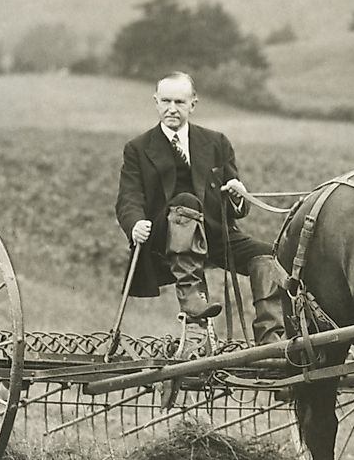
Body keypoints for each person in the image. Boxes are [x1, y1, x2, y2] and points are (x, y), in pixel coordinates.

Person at [115, 71, 284, 355]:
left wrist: (239, 196)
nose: (172, 108)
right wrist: (135, 224)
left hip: (216, 234)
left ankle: (271, 340)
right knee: (185, 200)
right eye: (166, 101)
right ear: (155, 102)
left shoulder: (216, 142)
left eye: (179, 102)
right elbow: (128, 198)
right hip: (165, 235)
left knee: (267, 255)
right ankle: (194, 308)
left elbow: (238, 205)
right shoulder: (138, 148)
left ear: (193, 104)